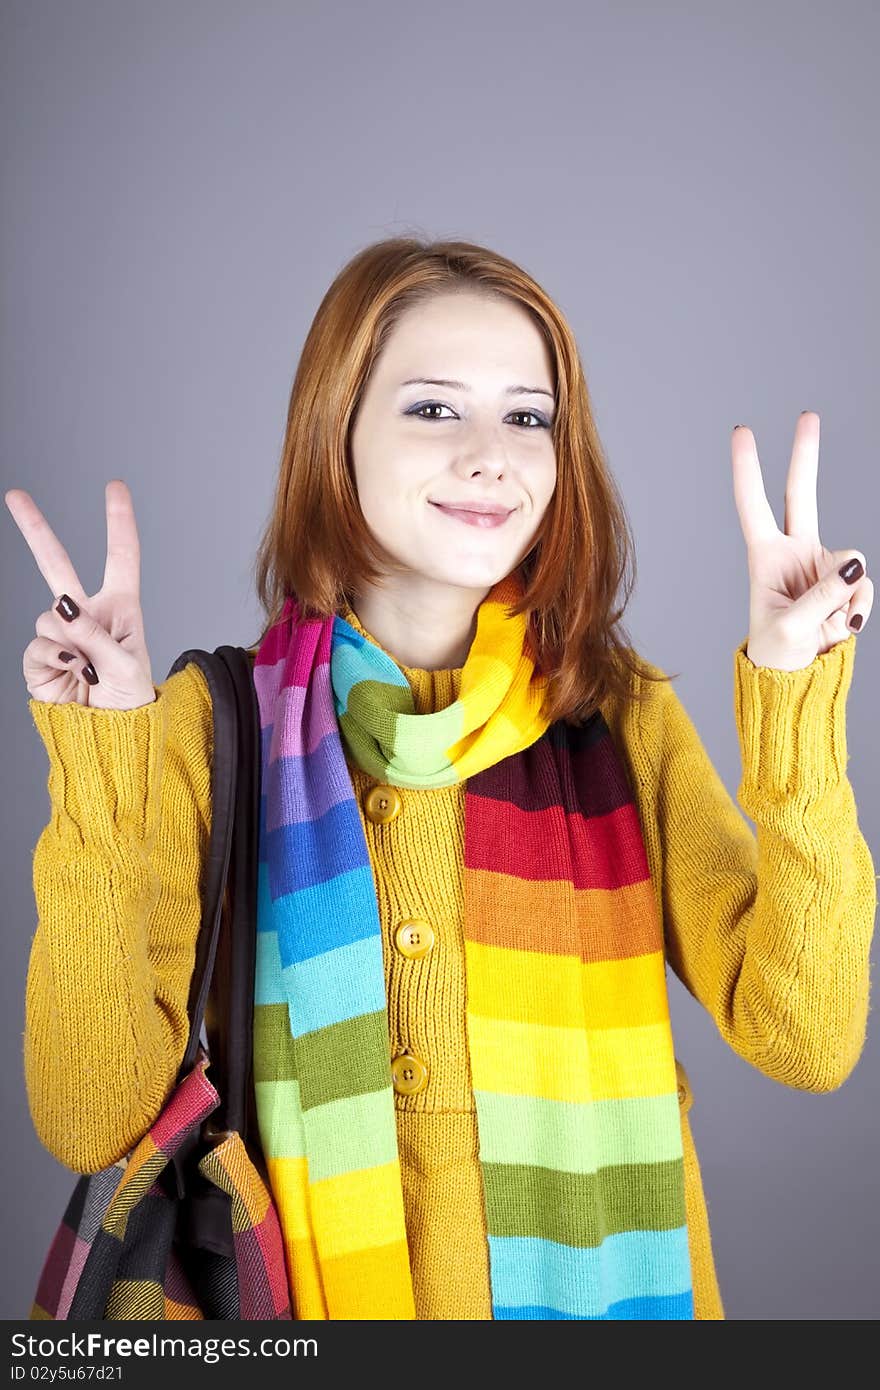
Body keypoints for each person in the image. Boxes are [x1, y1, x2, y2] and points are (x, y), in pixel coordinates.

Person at [7, 236, 875, 1321]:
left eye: (527, 414)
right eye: (431, 409)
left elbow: (803, 1034)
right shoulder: (206, 727)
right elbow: (91, 1109)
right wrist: (100, 757)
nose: (491, 455)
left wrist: (795, 695)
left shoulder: (615, 714)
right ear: (337, 432)